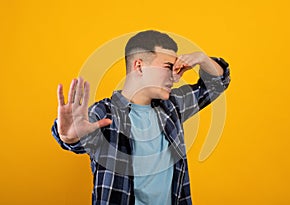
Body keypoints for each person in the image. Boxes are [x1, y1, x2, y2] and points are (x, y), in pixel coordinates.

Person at [51, 30, 231, 205]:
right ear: (139, 66)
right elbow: (78, 137)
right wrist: (69, 137)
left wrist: (202, 58)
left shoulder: (173, 107)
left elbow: (216, 83)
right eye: (168, 67)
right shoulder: (105, 113)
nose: (175, 77)